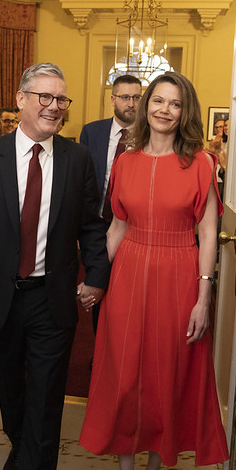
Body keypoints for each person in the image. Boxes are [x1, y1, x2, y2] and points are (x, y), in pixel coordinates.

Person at [0, 62, 109, 470]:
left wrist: (95, 276)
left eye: (61, 99)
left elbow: (92, 225)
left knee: (46, 394)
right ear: (21, 100)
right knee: (11, 386)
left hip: (51, 296)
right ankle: (20, 446)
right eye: (45, 97)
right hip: (1, 297)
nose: (54, 106)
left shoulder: (78, 159)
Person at [79, 71, 229, 470]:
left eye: (175, 104)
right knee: (125, 377)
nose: (165, 110)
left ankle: (153, 469)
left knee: (168, 376)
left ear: (185, 113)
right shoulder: (124, 161)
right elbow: (116, 228)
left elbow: (208, 232)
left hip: (180, 272)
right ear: (146, 107)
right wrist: (96, 278)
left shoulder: (202, 163)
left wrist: (203, 297)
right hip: (127, 273)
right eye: (158, 101)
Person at [79, 73, 142, 330]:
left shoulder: (151, 134)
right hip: (97, 223)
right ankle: (101, 351)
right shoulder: (92, 132)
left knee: (129, 292)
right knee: (98, 286)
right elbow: (80, 181)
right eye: (125, 97)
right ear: (113, 99)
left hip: (135, 226)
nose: (132, 103)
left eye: (137, 97)